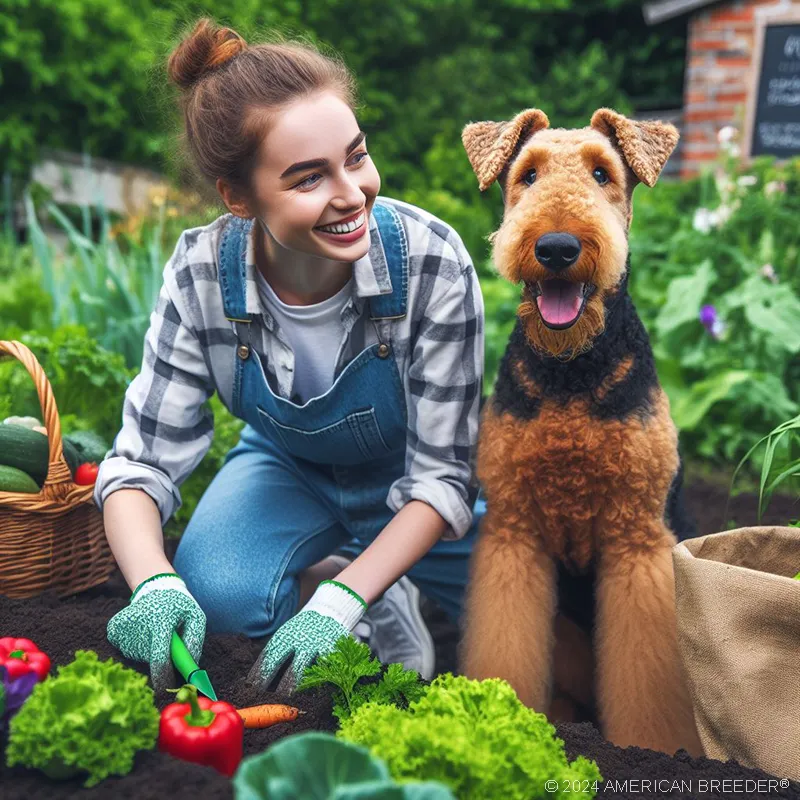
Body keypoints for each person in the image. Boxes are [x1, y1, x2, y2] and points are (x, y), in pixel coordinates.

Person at [94, 17, 486, 693]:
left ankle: (360, 588)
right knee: (216, 599)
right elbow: (140, 463)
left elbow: (442, 478)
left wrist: (341, 605)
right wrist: (155, 584)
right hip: (289, 469)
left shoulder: (430, 260)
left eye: (356, 157)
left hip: (418, 490)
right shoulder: (201, 276)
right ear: (240, 199)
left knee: (548, 626)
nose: (351, 194)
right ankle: (352, 582)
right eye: (308, 179)